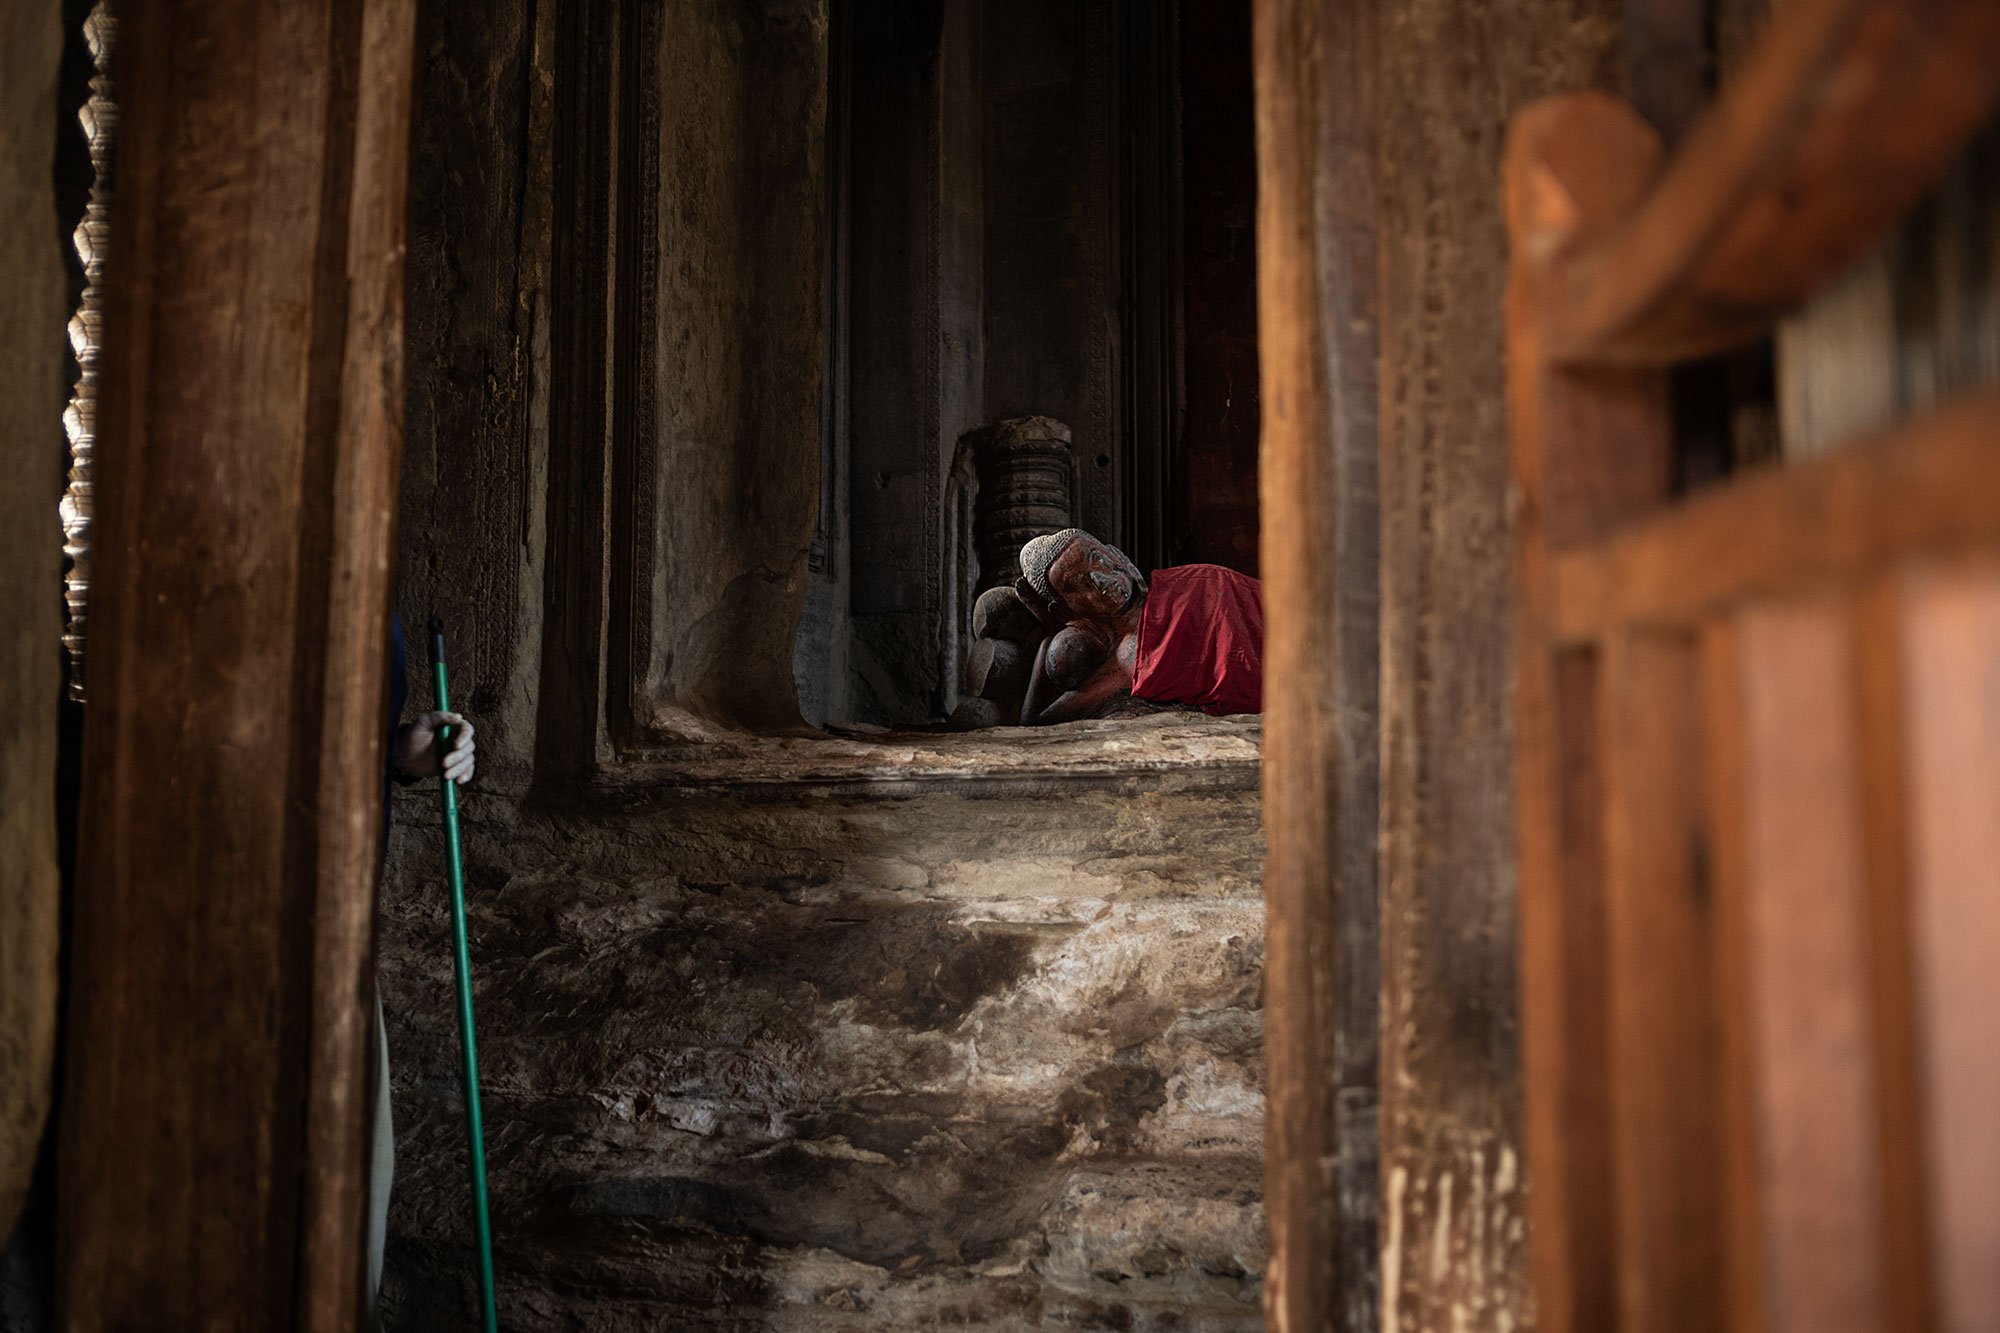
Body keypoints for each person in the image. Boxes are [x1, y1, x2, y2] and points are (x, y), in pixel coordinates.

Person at [367, 614, 475, 1323]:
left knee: (355, 1192)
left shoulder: (376, 597)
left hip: (340, 936)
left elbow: (355, 743)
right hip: (225, 917)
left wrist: (407, 755)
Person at [1016, 529, 1262, 724]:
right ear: (1066, 611)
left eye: (1098, 559)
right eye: (1080, 584)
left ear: (1119, 557)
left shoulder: (1199, 580)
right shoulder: (1129, 661)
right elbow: (1036, 721)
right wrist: (1045, 642)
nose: (1100, 579)